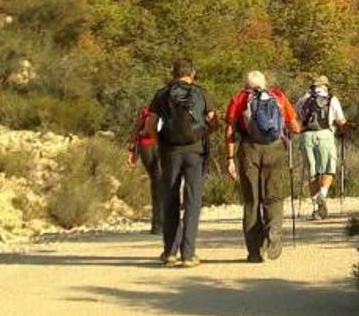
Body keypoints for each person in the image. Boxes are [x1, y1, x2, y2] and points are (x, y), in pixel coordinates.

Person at [144, 58, 216, 268]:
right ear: (192, 73)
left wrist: (160, 145)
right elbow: (213, 120)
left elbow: (150, 125)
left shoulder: (162, 94)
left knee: (170, 199)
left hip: (170, 152)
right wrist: (204, 133)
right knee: (193, 201)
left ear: (172, 73)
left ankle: (169, 252)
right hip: (195, 152)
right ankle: (188, 253)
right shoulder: (201, 93)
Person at [225, 71, 300, 263]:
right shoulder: (278, 96)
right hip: (275, 150)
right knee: (273, 196)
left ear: (246, 85)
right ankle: (274, 235)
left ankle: (254, 253)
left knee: (252, 201)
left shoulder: (239, 98)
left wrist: (230, 158)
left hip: (249, 150)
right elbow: (294, 126)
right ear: (265, 83)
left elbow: (230, 130)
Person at [295, 75, 347, 220]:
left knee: (312, 172)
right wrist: (344, 129)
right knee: (328, 169)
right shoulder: (332, 99)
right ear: (326, 85)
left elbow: (296, 119)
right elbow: (341, 121)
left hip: (307, 136)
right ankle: (322, 194)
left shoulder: (303, 99)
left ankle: (316, 209)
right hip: (325, 135)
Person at [127, 105, 162, 235]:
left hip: (145, 146)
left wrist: (131, 151)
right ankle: (162, 222)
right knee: (162, 182)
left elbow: (136, 129)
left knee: (156, 182)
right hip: (161, 146)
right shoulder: (171, 108)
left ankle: (157, 224)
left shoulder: (146, 110)